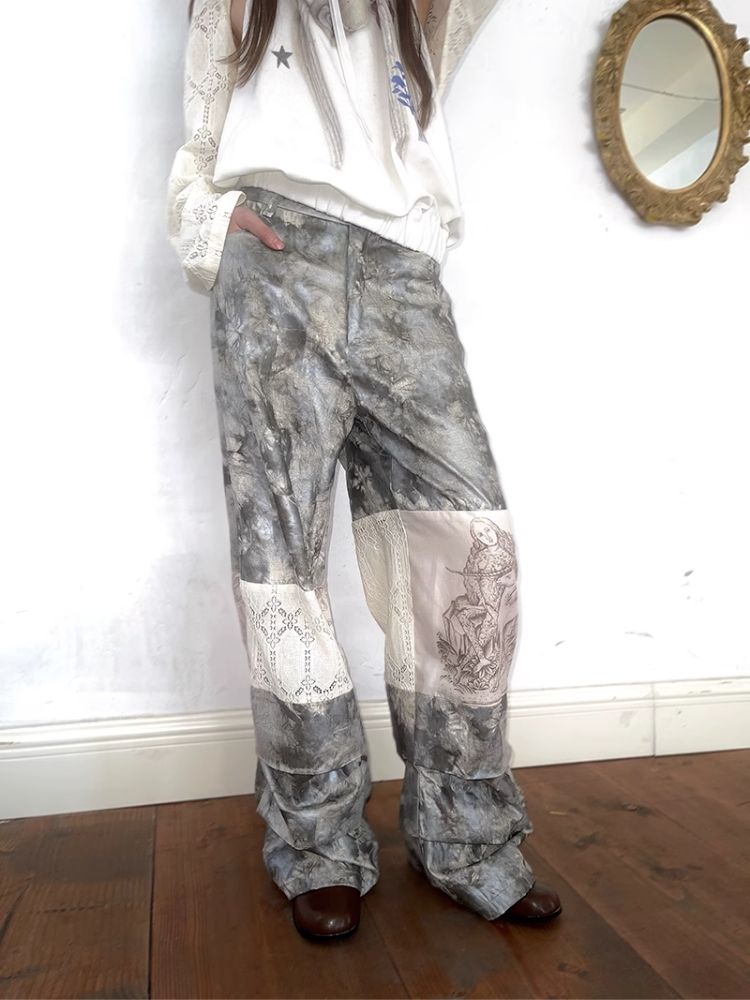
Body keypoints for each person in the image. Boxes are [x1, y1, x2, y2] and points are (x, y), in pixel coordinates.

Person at [166, 0, 562, 940]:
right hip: (274, 253)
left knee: (467, 551)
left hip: (403, 269)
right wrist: (209, 220)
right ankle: (317, 844)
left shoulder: (419, 14)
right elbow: (206, 113)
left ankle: (466, 835)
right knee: (280, 566)